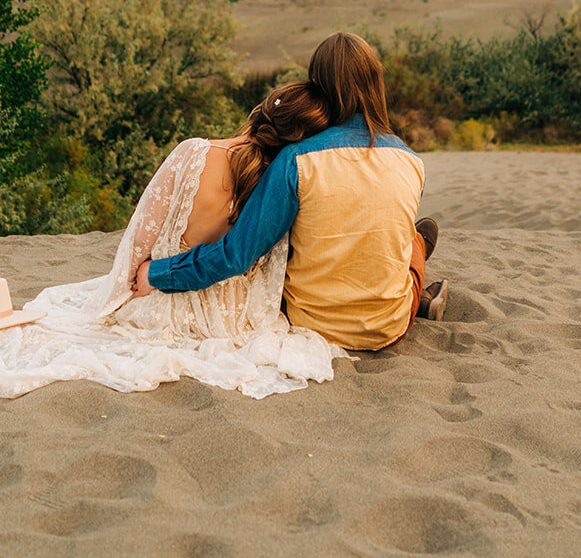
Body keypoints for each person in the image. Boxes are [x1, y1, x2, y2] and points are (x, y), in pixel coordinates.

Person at [0, 81, 347, 399]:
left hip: (165, 297)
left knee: (66, 318)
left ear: (263, 110)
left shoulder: (195, 153)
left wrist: (120, 294)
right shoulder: (282, 184)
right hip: (227, 317)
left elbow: (138, 238)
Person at [133, 32, 445, 351]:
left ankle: (417, 249)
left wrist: (158, 272)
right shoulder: (411, 161)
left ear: (317, 87)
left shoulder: (296, 160)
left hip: (314, 325)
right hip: (389, 326)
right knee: (407, 243)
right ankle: (419, 267)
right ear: (376, 84)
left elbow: (236, 255)